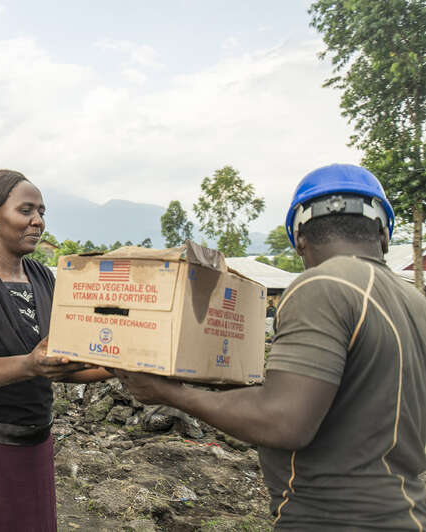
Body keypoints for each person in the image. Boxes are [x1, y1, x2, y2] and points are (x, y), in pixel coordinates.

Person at [115, 164, 426, 530]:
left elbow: (283, 421)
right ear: (384, 233)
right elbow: (355, 399)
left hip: (332, 519)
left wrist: (173, 394)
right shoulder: (415, 301)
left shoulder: (322, 285)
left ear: (299, 239)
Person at [0, 169, 112, 532]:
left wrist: (123, 366)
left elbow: (62, 361)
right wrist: (29, 365)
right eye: (27, 210)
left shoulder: (44, 278)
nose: (38, 221)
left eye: (42, 212)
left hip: (35, 442)